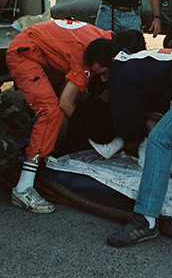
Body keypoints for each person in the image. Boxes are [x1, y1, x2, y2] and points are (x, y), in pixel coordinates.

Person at [83, 40, 172, 247]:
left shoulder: (120, 76)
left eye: (103, 73)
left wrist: (131, 147)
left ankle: (146, 219)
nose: (104, 80)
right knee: (161, 132)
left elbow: (130, 131)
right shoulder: (134, 60)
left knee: (159, 139)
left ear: (112, 61)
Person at [5, 19, 113, 213]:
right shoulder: (88, 58)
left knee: (54, 104)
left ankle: (31, 133)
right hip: (25, 54)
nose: (104, 78)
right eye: (103, 73)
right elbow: (66, 103)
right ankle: (23, 187)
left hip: (37, 46)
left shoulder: (103, 38)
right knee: (51, 112)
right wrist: (88, 134)